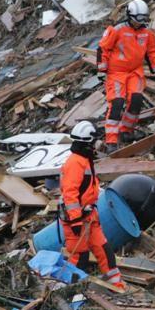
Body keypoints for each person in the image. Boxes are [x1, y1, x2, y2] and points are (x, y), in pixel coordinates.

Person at [60, 121, 124, 290]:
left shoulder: (84, 160)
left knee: (104, 250)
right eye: (94, 141)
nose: (97, 144)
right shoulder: (75, 162)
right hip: (77, 220)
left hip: (88, 216)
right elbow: (70, 193)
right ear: (87, 142)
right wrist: (75, 220)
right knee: (79, 257)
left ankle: (116, 285)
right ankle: (71, 291)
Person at [96, 0, 155, 149]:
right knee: (117, 103)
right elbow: (103, 49)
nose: (138, 24)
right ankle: (111, 140)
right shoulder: (117, 30)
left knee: (136, 100)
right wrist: (102, 70)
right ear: (129, 16)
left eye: (142, 21)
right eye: (136, 20)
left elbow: (152, 53)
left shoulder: (147, 34)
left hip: (135, 72)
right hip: (116, 73)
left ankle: (126, 131)